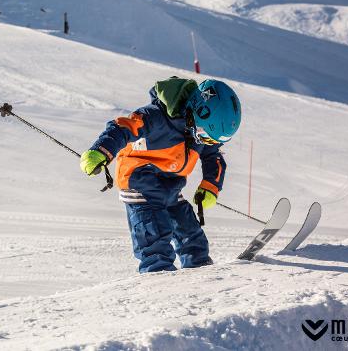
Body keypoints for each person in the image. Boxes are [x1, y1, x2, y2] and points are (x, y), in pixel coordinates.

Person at [80, 77, 241, 273]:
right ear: (194, 111)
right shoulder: (156, 117)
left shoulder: (199, 131)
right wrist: (101, 151)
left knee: (192, 236)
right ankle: (158, 277)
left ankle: (200, 273)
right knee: (155, 241)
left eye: (210, 139)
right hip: (141, 187)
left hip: (171, 186)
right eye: (204, 135)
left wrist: (210, 186)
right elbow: (122, 127)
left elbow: (213, 157)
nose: (204, 141)